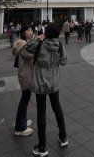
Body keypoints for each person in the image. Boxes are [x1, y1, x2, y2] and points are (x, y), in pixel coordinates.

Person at [25, 23, 68, 157]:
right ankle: (63, 137)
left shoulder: (39, 44)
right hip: (54, 82)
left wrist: (38, 37)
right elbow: (64, 62)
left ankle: (42, 146)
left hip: (40, 83)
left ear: (46, 33)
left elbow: (26, 46)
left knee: (41, 112)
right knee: (57, 109)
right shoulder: (59, 45)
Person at [12, 26, 35, 136]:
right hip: (26, 75)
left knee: (25, 98)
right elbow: (30, 56)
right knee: (24, 100)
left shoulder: (23, 42)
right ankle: (20, 127)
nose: (30, 32)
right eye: (28, 31)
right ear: (23, 33)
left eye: (31, 30)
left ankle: (22, 121)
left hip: (25, 73)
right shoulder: (22, 44)